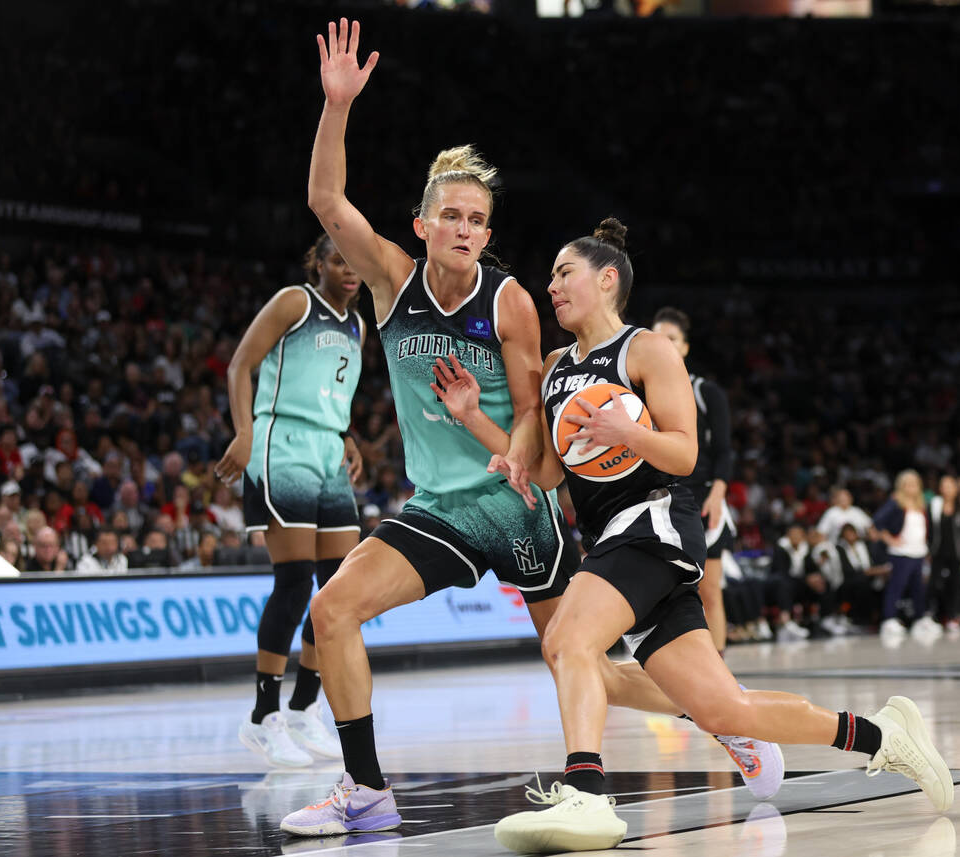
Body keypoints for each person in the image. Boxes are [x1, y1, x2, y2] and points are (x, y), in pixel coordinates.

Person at [279, 19, 777, 838]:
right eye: (453, 215)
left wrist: (498, 444)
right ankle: (365, 789)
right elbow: (326, 200)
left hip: (517, 506)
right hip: (440, 505)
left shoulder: (507, 300)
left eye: (478, 218)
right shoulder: (391, 281)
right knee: (331, 612)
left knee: (579, 663)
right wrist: (336, 108)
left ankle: (720, 717)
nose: (468, 228)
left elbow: (534, 424)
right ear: (423, 224)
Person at [489, 219, 952, 853]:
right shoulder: (552, 367)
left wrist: (628, 434)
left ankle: (587, 793)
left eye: (563, 273)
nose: (552, 286)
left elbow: (682, 453)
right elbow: (545, 471)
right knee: (725, 710)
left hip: (653, 522)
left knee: (567, 640)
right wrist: (479, 428)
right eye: (549, 277)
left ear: (606, 279)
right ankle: (881, 736)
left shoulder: (645, 350)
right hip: (610, 539)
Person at [214, 232, 365, 768]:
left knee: (342, 589)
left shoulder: (358, 324)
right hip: (283, 444)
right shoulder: (294, 301)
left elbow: (332, 390)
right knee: (295, 581)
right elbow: (239, 366)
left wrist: (346, 437)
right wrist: (244, 431)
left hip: (328, 450)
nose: (349, 269)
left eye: (354, 263)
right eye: (337, 259)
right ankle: (262, 716)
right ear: (317, 262)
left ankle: (304, 710)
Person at [651, 307, 734, 655]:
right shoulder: (638, 390)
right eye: (656, 338)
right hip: (657, 500)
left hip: (702, 499)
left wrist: (717, 494)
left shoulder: (706, 391)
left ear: (684, 348)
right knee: (660, 591)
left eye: (671, 339)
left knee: (710, 591)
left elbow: (725, 450)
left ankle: (721, 675)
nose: (663, 345)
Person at [873, 470, 941, 639]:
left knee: (919, 588)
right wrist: (890, 539)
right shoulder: (896, 502)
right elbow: (878, 521)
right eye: (908, 485)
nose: (912, 488)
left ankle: (920, 618)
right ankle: (889, 619)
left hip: (919, 552)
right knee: (897, 587)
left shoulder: (921, 504)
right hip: (901, 553)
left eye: (915, 484)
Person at [927, 475, 960, 631]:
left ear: (955, 489)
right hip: (937, 552)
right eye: (944, 486)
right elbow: (929, 530)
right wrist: (928, 549)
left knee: (955, 585)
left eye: (950, 486)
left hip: (956, 553)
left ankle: (954, 616)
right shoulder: (934, 505)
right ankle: (932, 615)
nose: (947, 489)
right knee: (935, 584)